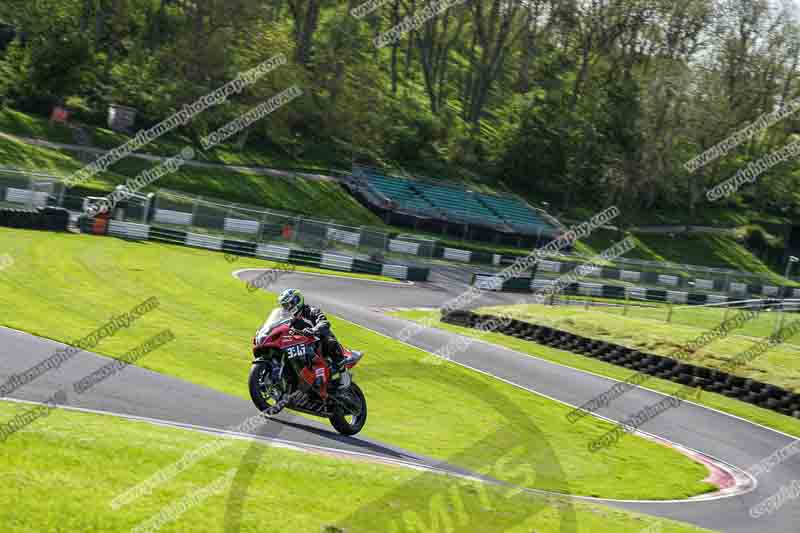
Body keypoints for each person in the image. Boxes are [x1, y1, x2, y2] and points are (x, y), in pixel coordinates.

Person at [278, 288, 346, 378]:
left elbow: (324, 322)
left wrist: (314, 330)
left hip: (318, 343)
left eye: (287, 305)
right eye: (284, 306)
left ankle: (343, 374)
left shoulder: (312, 311)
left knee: (329, 341)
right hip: (303, 345)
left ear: (296, 301)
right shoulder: (290, 319)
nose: (286, 308)